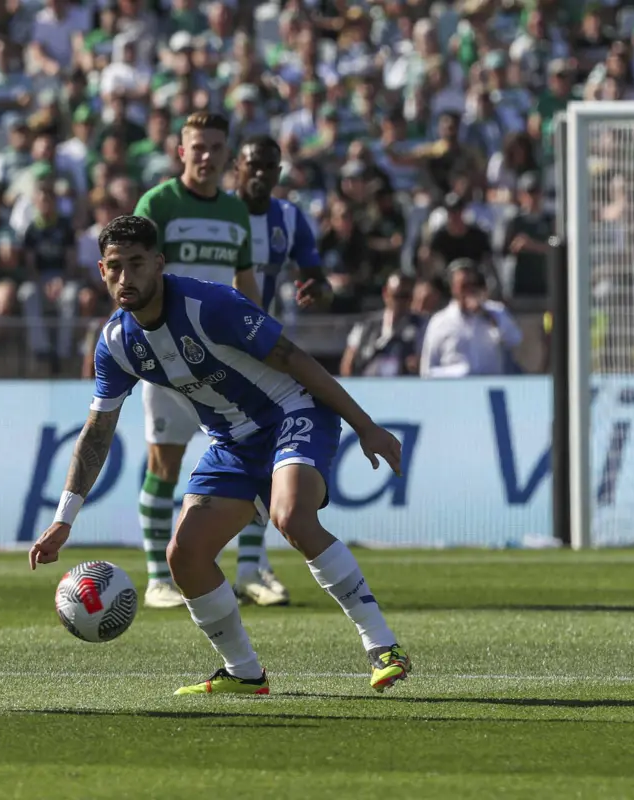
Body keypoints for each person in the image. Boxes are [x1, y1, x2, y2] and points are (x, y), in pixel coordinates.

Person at [29, 215, 411, 696]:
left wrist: (366, 426)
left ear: (159, 264)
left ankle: (383, 646)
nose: (124, 277)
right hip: (232, 442)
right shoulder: (116, 343)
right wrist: (66, 517)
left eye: (136, 264)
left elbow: (294, 358)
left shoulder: (209, 305)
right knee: (184, 555)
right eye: (113, 267)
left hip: (293, 413)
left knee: (290, 515)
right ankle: (244, 672)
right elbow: (97, 431)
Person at [130, 111, 258, 610]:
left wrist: (258, 334)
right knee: (164, 463)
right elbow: (131, 272)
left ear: (228, 154)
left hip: (226, 364)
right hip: (166, 357)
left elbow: (244, 282)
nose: (206, 156)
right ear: (181, 152)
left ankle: (251, 571)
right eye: (197, 147)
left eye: (215, 147)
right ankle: (158, 578)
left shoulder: (235, 212)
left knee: (253, 459)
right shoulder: (158, 203)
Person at [229, 134, 330, 606]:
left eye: (271, 167)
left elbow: (315, 272)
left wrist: (319, 288)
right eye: (254, 164)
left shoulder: (288, 218)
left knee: (257, 448)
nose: (262, 174)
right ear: (238, 167)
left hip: (257, 349)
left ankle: (250, 565)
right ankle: (165, 571)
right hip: (202, 345)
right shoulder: (217, 214)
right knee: (166, 459)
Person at [420, 259, 522, 378]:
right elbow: (428, 368)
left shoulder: (496, 311)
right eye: (464, 286)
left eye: (473, 285)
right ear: (453, 288)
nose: (469, 290)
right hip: (454, 389)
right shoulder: (440, 321)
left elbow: (515, 339)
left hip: (489, 385)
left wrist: (488, 316)